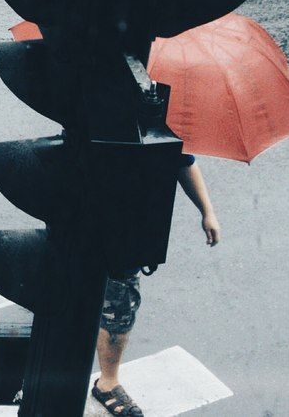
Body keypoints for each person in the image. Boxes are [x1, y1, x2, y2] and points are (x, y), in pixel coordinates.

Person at [92, 157, 221, 416]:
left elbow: (183, 161)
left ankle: (107, 383)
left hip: (129, 231)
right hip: (90, 218)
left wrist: (207, 212)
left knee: (118, 303)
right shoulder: (97, 118)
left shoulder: (159, 122)